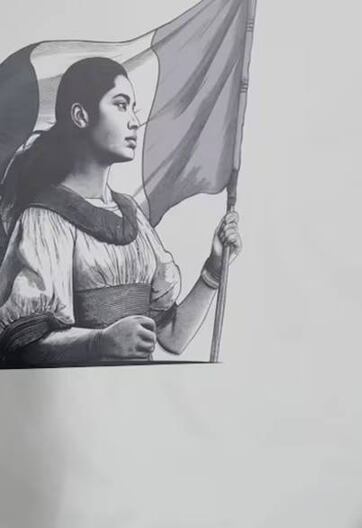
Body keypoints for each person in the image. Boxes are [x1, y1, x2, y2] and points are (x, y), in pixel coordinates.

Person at [0, 57, 241, 367]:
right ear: (80, 116)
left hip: (137, 393)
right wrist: (100, 342)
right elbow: (24, 345)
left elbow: (172, 337)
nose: (134, 121)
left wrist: (214, 270)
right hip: (83, 393)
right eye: (121, 105)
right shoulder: (44, 219)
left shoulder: (133, 215)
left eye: (133, 108)